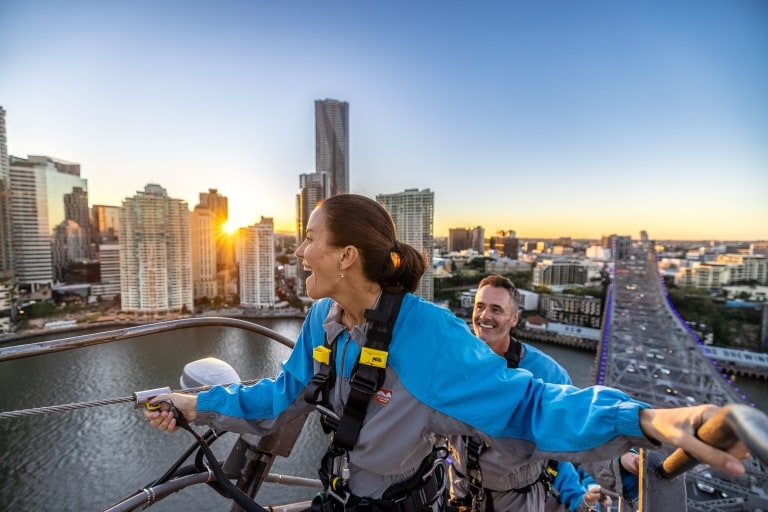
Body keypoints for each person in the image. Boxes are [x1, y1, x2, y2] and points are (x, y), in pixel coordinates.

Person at [144, 194, 748, 511]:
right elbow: (278, 399)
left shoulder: (428, 335)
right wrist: (191, 405)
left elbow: (528, 407)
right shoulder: (323, 321)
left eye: (309, 239)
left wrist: (639, 418)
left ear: (348, 255)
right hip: (344, 495)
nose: (299, 252)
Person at [445, 275, 629, 511]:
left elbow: (574, 430)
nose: (484, 316)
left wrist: (585, 489)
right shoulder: (455, 363)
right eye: (480, 307)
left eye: (496, 309)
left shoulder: (547, 373)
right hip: (461, 495)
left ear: (514, 319)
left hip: (517, 501)